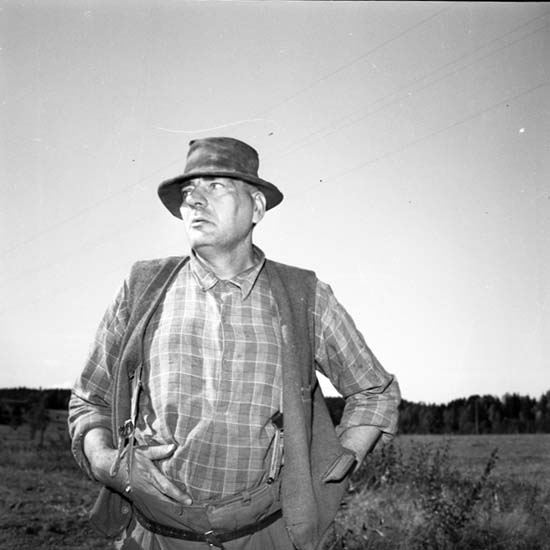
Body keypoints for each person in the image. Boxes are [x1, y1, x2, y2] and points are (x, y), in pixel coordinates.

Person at [68, 137, 401, 550]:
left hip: (265, 536)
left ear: (257, 207)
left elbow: (374, 392)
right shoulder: (143, 288)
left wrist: (334, 467)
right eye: (189, 192)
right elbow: (90, 400)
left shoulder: (303, 296)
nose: (195, 200)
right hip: (153, 537)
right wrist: (107, 462)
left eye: (216, 186)